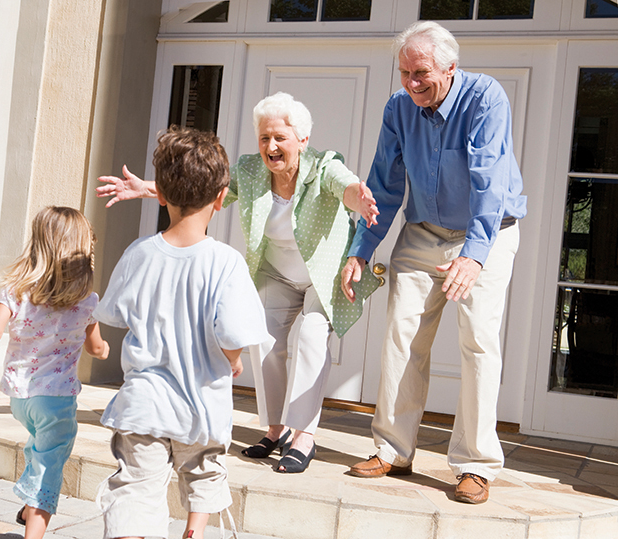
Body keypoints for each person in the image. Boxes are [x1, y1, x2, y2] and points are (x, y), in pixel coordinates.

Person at [97, 92, 381, 474]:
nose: (271, 146)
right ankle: (276, 428)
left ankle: (304, 435)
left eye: (280, 137)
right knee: (263, 339)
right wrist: (148, 189)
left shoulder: (323, 167)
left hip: (321, 275)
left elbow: (345, 186)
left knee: (312, 335)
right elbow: (205, 189)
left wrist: (357, 199)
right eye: (265, 138)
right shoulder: (250, 172)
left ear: (303, 140)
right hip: (276, 272)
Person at [343, 21, 527, 504]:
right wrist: (362, 248)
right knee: (402, 338)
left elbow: (488, 177)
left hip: (487, 231)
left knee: (478, 342)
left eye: (421, 72)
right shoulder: (399, 107)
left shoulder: (485, 98)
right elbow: (383, 182)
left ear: (450, 67)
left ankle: (475, 464)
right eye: (404, 72)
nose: (411, 82)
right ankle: (392, 449)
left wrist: (476, 253)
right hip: (422, 232)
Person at [93, 126, 272, 539]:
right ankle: (194, 532)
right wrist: (234, 359)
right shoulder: (226, 263)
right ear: (222, 197)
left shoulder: (139, 253)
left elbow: (113, 313)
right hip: (201, 406)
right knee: (205, 473)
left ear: (159, 194)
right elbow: (231, 333)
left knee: (136, 489)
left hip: (144, 405)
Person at [0, 206, 110, 539]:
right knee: (50, 467)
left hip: (20, 399)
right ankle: (35, 526)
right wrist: (104, 350)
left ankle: (27, 506)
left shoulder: (18, 291)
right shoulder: (87, 302)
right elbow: (96, 348)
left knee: (39, 446)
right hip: (56, 402)